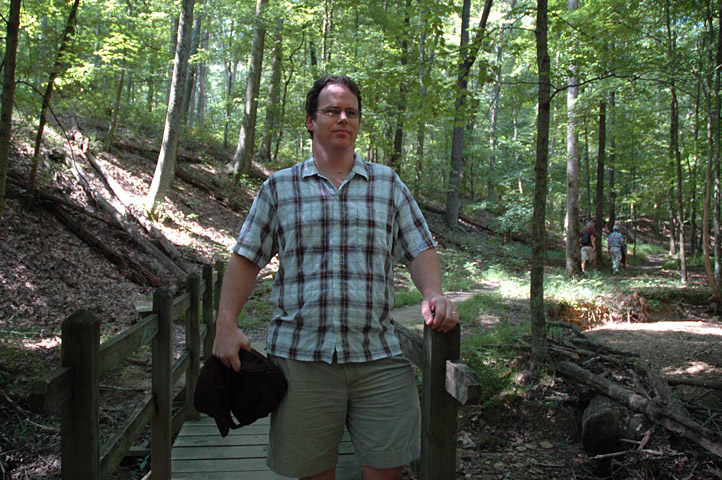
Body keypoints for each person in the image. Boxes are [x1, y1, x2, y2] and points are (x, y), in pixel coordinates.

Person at [212, 74, 459, 480]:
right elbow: (246, 258)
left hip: (377, 355)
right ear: (311, 121)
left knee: (387, 470)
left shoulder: (387, 184)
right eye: (332, 111)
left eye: (351, 112)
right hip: (301, 358)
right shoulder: (280, 188)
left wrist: (433, 292)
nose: (343, 118)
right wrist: (226, 323)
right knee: (313, 474)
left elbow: (419, 246)